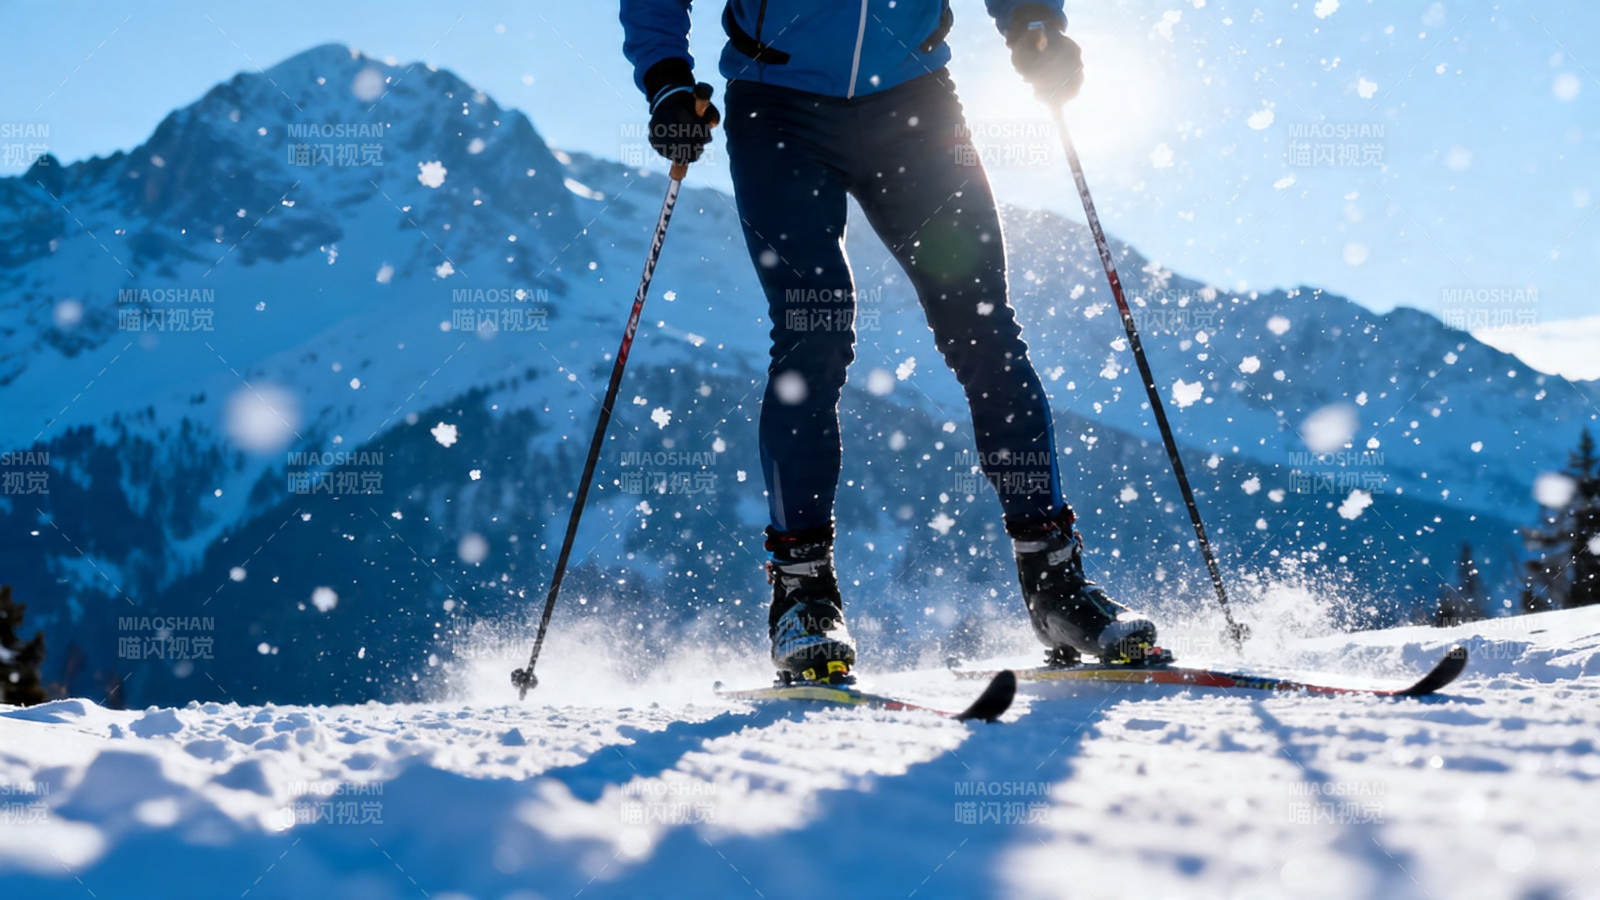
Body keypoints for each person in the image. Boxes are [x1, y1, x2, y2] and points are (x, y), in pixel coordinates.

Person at [620, 0, 1165, 682]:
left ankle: (1055, 585)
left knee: (984, 328)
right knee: (813, 331)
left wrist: (1035, 24)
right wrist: (667, 77)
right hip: (779, 108)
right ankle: (803, 596)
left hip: (916, 110)